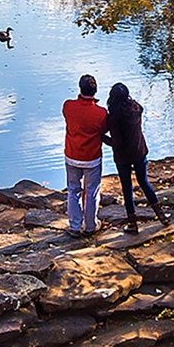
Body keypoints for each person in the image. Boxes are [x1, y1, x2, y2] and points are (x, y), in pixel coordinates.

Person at [102, 82, 170, 231]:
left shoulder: (113, 117)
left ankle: (132, 223)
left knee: (127, 188)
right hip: (139, 151)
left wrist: (102, 137)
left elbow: (117, 143)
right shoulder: (136, 108)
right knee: (144, 182)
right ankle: (162, 216)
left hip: (123, 157)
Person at [61, 74, 108, 235]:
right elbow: (103, 130)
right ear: (95, 91)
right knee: (92, 191)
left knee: (73, 191)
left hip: (72, 155)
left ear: (80, 89)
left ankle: (74, 226)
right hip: (92, 158)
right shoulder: (101, 113)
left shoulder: (68, 106)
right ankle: (90, 226)